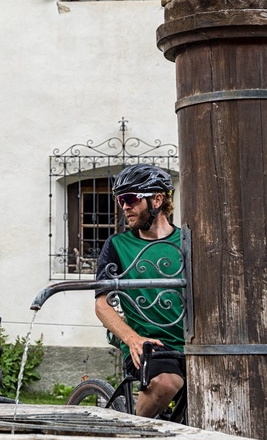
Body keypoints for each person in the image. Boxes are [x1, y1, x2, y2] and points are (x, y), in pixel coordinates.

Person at [95, 163, 185, 418]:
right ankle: (131, 429)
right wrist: (133, 339)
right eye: (120, 199)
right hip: (148, 343)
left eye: (130, 198)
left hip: (192, 342)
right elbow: (102, 304)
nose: (124, 206)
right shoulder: (117, 245)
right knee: (167, 382)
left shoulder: (187, 241)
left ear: (157, 199)